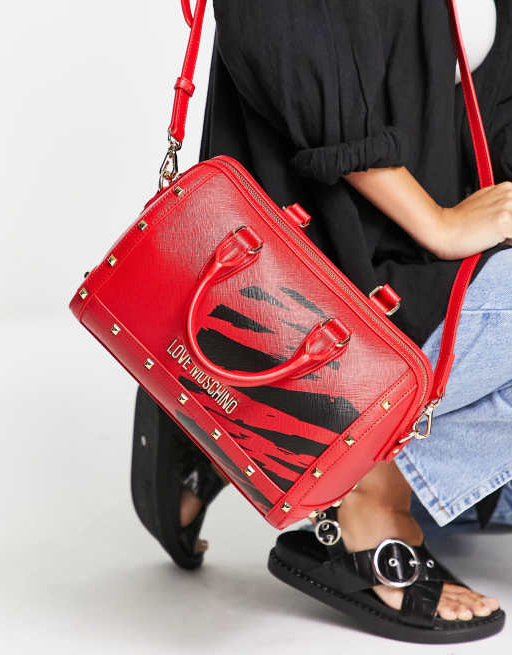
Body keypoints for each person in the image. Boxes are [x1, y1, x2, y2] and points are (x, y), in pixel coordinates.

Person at [131, 0, 512, 643]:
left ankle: (258, 425)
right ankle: (364, 490)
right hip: (329, 271)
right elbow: (286, 43)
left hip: (438, 255)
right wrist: (439, 225)